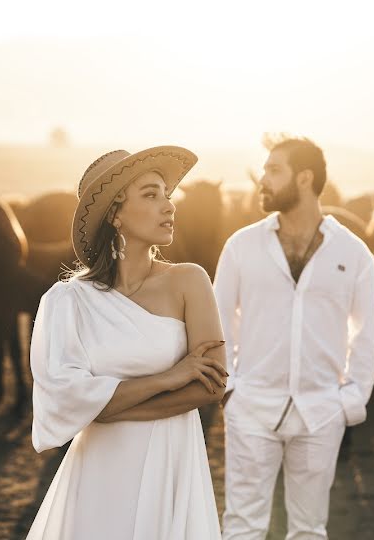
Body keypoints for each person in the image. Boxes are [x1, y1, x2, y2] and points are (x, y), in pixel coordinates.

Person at [27, 146, 227, 539]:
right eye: (151, 195)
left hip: (171, 458)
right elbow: (64, 400)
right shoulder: (68, 301)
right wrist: (169, 378)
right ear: (115, 214)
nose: (169, 206)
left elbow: (212, 385)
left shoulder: (189, 280)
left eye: (167, 195)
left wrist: (104, 407)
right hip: (100, 467)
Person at [215, 136, 374, 539]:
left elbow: (365, 332)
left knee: (309, 529)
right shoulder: (241, 246)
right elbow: (218, 323)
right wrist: (229, 389)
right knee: (242, 527)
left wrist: (349, 402)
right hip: (251, 408)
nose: (263, 181)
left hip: (322, 411)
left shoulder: (354, 253)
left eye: (274, 171)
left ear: (304, 178)